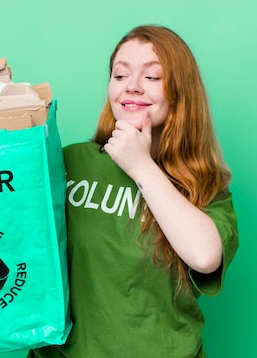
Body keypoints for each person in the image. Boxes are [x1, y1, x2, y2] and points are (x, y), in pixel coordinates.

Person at [30, 24, 238, 358]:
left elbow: (205, 256)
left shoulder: (205, 188)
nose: (133, 88)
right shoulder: (68, 162)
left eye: (153, 78)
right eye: (120, 76)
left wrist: (140, 165)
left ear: (180, 92)